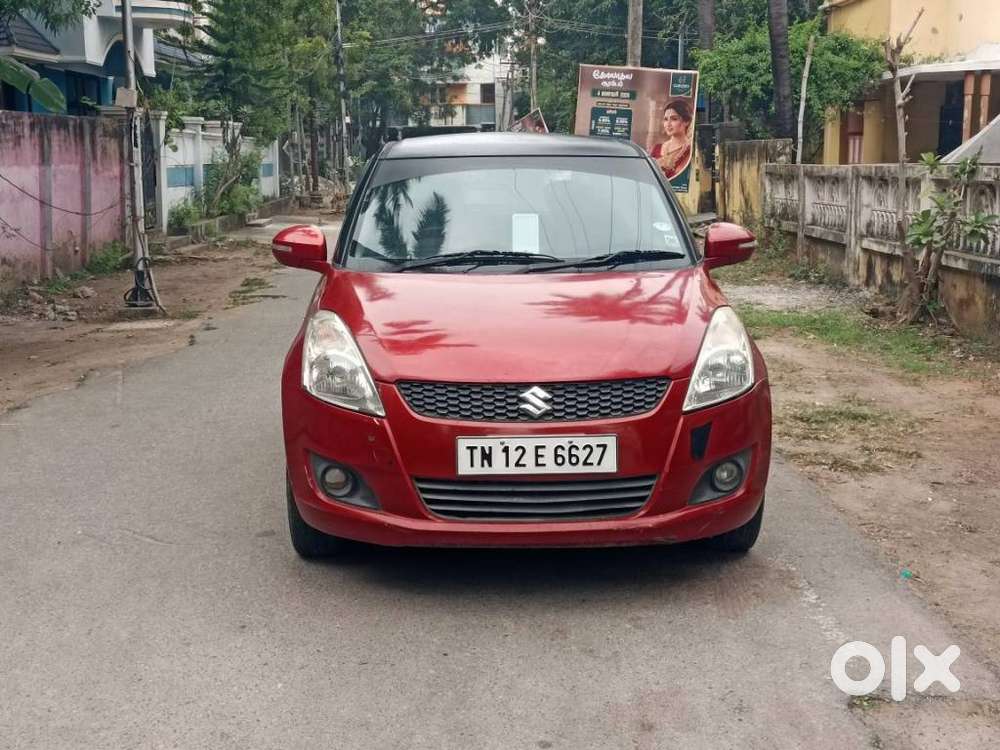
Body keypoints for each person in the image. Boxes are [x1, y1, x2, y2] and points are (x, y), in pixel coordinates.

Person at [649, 100, 693, 181]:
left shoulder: (689, 151)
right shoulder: (657, 148)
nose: (668, 124)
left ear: (686, 121)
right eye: (665, 119)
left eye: (674, 119)